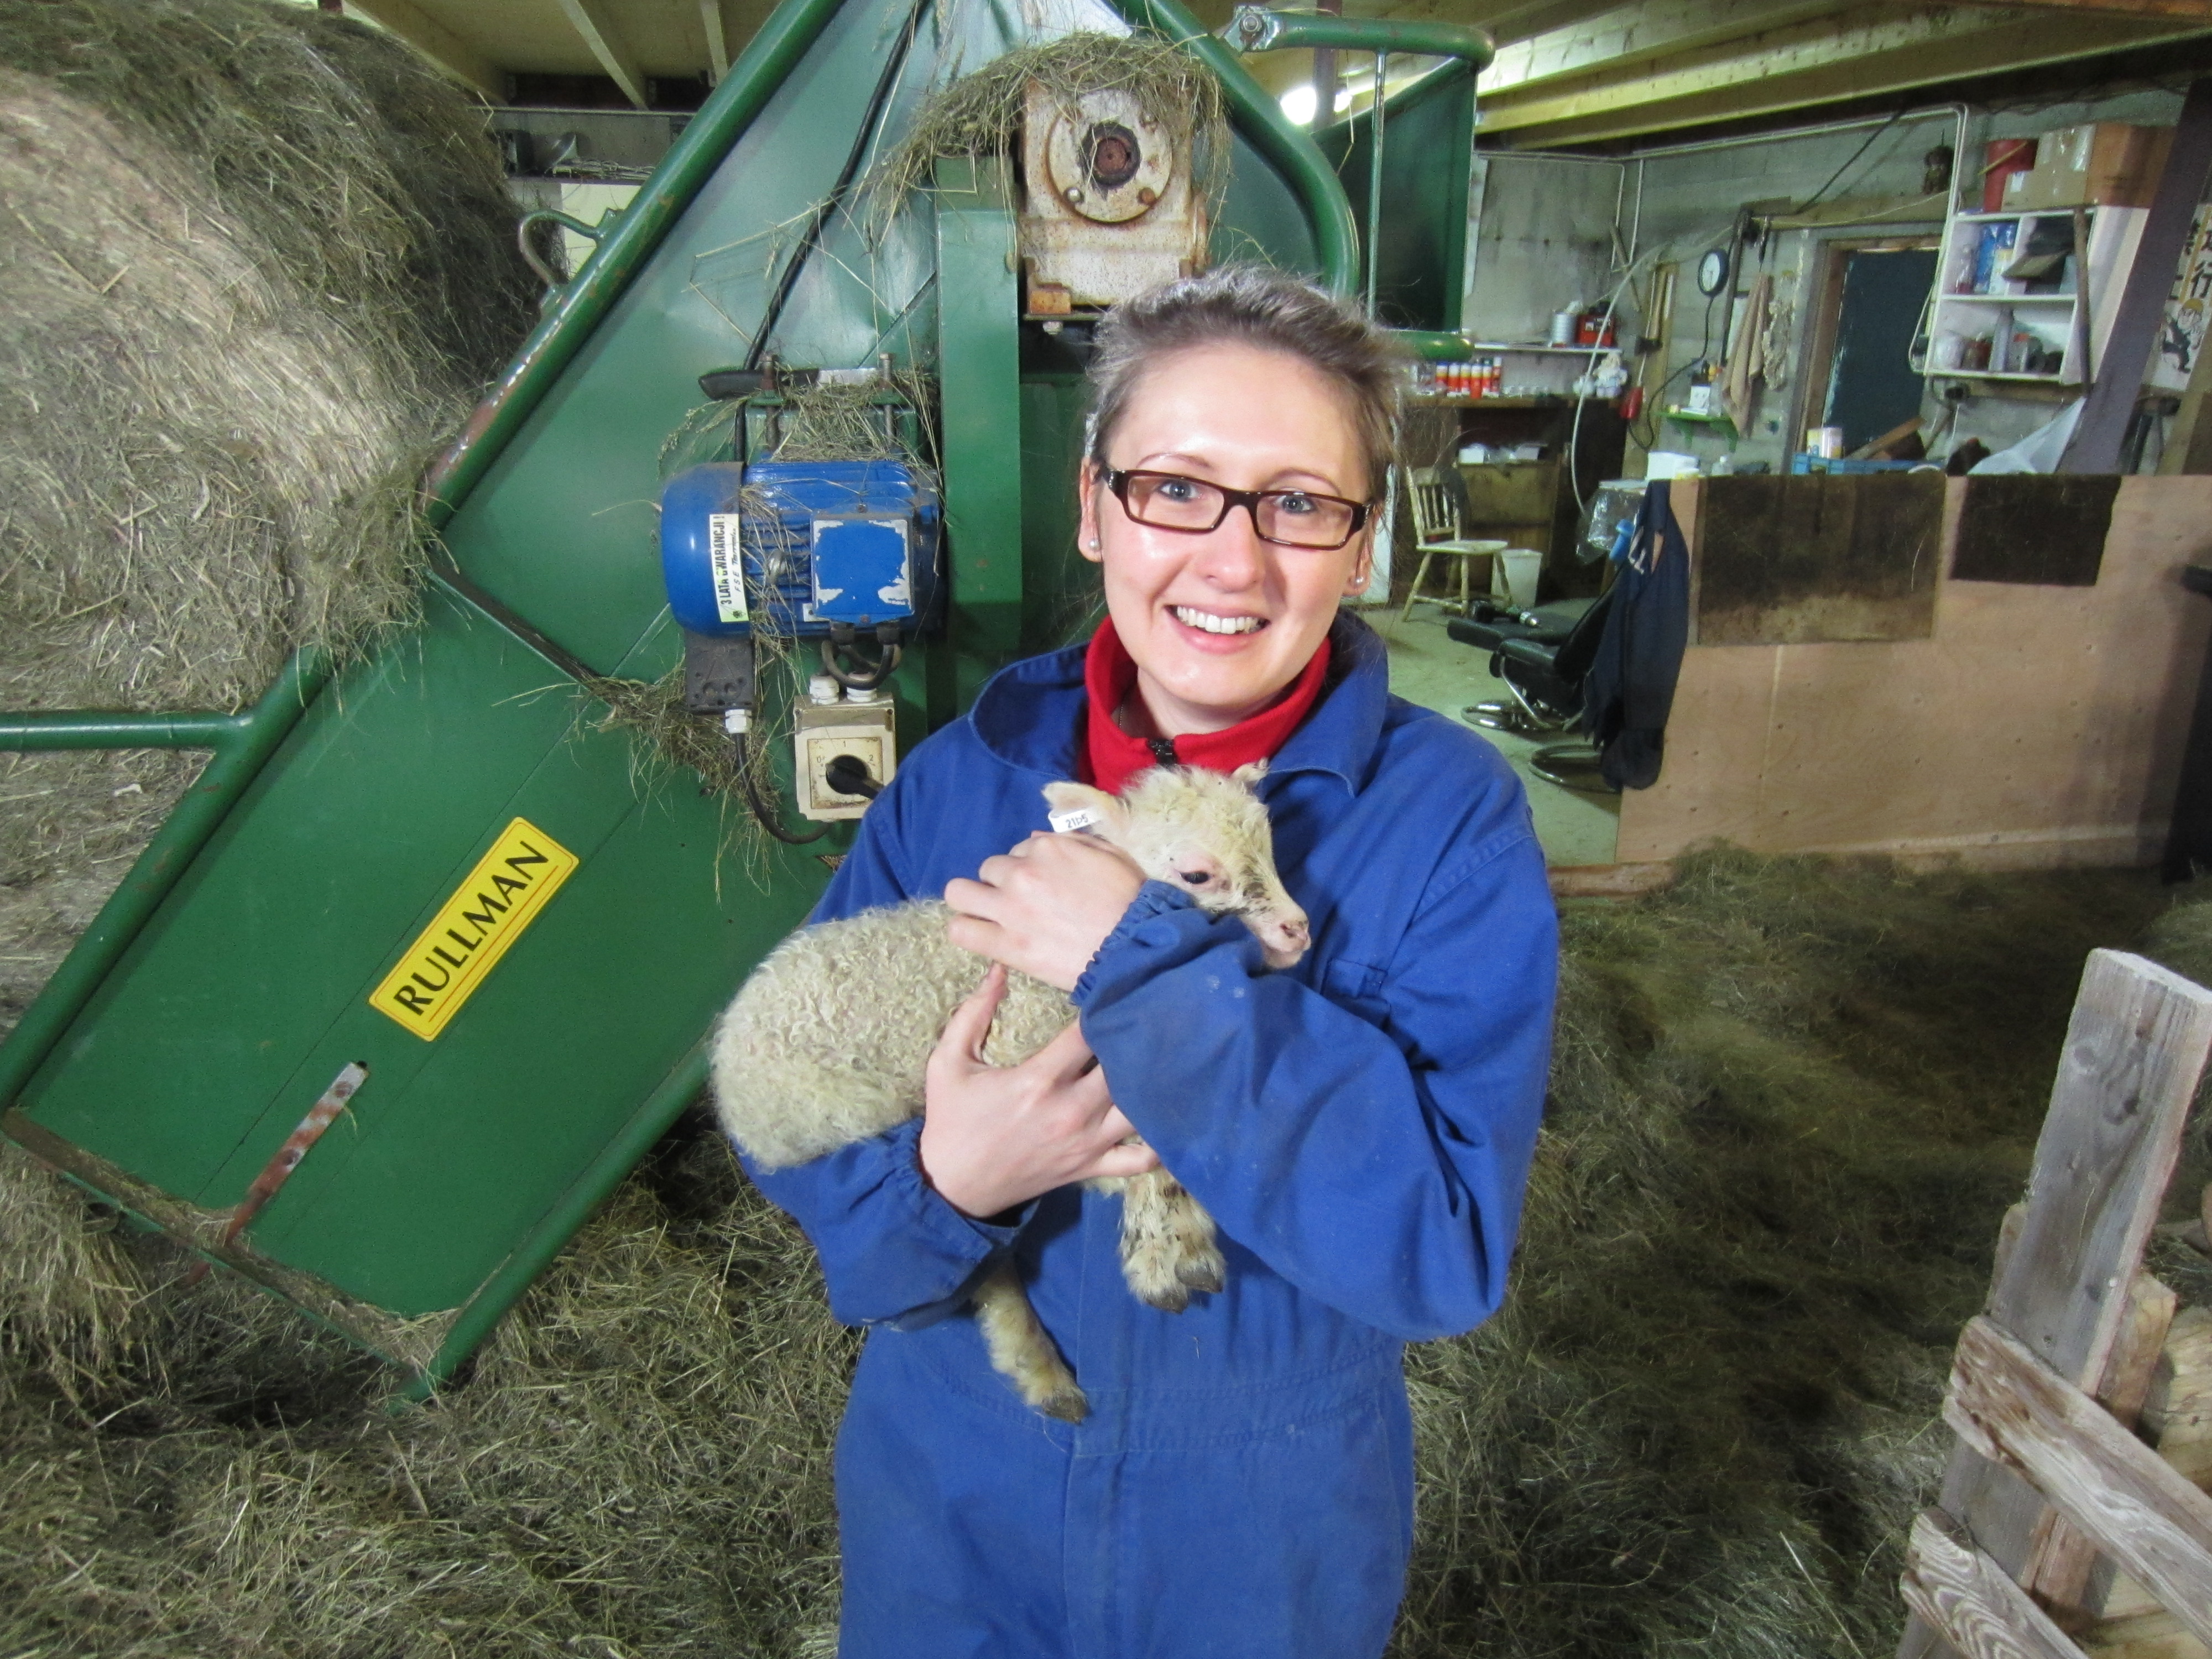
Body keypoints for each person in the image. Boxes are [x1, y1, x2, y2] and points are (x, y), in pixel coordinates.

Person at [743, 265, 1557, 1658]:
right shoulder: (960, 788)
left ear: (1362, 547)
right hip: (953, 1504)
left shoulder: (1447, 828)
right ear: (1092, 506)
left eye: (1298, 504)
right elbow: (805, 1133)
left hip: (1260, 1539)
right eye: (1175, 488)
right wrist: (944, 1189)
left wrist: (1141, 959)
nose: (1232, 563)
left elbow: (1441, 1249)